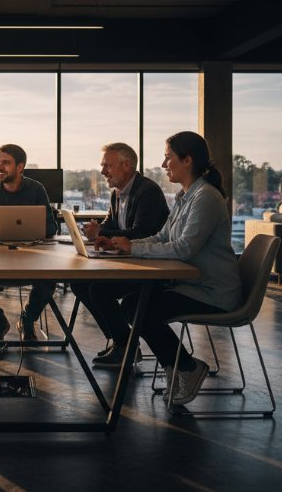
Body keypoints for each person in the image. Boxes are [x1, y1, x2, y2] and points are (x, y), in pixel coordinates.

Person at [81, 131, 241, 406]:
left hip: (212, 292)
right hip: (192, 285)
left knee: (138, 308)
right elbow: (162, 238)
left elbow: (183, 248)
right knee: (132, 306)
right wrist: (124, 244)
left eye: (168, 158)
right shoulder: (185, 196)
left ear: (187, 160)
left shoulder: (205, 198)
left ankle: (187, 367)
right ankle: (178, 366)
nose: (164, 164)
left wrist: (132, 247)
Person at [69, 142, 170, 367]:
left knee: (99, 289)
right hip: (130, 263)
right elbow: (110, 224)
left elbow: (142, 232)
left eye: (107, 165)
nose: (103, 171)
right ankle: (121, 341)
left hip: (152, 268)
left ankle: (126, 346)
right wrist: (96, 231)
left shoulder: (148, 191)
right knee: (78, 282)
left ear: (126, 165)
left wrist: (102, 232)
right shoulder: (118, 193)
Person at [0, 144, 58, 341]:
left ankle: (26, 321)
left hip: (31, 257)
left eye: (6, 163)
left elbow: (52, 227)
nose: (0, 167)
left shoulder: (36, 189)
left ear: (20, 167)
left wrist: (32, 229)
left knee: (48, 282)